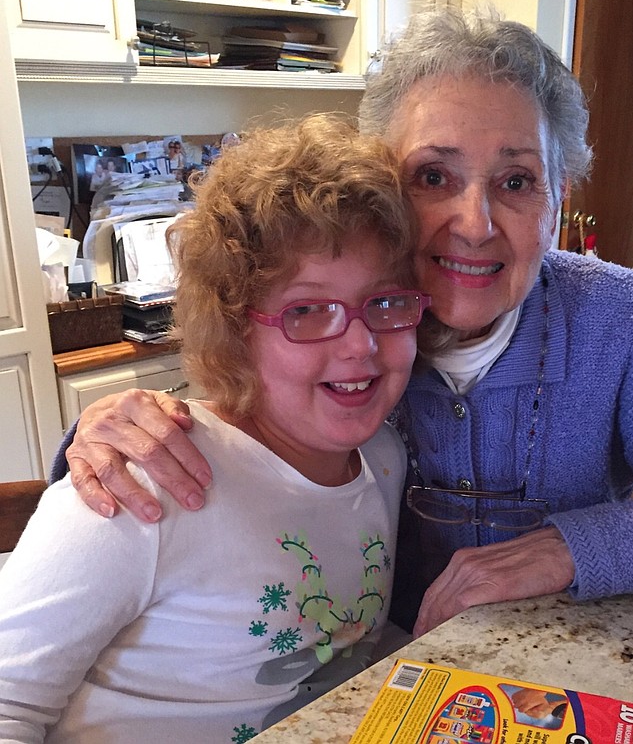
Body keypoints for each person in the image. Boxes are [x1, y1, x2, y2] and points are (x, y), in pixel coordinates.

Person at [52, 6, 633, 640]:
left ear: (557, 200)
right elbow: (219, 429)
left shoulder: (623, 323)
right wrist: (110, 433)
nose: (473, 224)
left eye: (516, 182)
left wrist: (570, 548)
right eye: (433, 177)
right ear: (378, 177)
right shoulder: (325, 322)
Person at [0, 114, 435, 741]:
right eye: (307, 310)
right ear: (233, 329)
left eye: (387, 302)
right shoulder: (140, 482)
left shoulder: (385, 456)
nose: (361, 344)